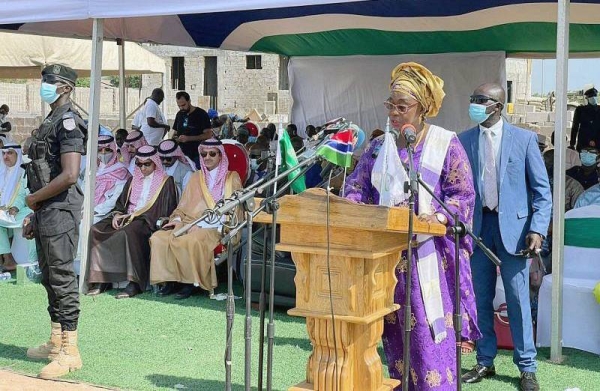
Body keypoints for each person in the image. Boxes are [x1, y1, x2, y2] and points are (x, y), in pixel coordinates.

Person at [344, 62, 481, 390]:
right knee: (382, 349)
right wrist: (350, 208)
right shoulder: (379, 147)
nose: (393, 112)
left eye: (402, 106)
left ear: (423, 109)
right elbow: (355, 187)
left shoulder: (445, 145)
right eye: (390, 104)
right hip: (382, 265)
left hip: (426, 263)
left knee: (426, 347)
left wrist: (439, 218)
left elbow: (462, 196)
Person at [459, 83, 551, 391]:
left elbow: (542, 192)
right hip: (478, 228)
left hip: (516, 232)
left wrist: (537, 229)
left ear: (498, 105)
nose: (474, 104)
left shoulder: (524, 140)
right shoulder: (464, 140)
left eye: (480, 100)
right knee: (480, 297)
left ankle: (527, 366)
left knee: (517, 299)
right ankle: (485, 361)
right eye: (473, 99)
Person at [23, 64, 87, 379]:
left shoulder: (68, 122)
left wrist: (35, 201)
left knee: (63, 279)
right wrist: (34, 210)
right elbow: (40, 171)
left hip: (61, 209)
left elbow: (70, 174)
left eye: (49, 82)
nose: (44, 86)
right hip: (46, 208)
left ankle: (71, 351)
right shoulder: (51, 120)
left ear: (64, 88)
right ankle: (56, 340)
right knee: (49, 277)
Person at [150, 139, 242, 299]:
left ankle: (190, 283)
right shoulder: (195, 177)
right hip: (188, 222)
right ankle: (170, 281)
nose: (207, 157)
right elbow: (183, 205)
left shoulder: (231, 178)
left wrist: (202, 225)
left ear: (220, 155)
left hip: (215, 226)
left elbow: (233, 212)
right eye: (203, 154)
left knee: (192, 241)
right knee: (159, 238)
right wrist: (177, 219)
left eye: (212, 154)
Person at [87, 146, 177, 299]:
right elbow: (122, 204)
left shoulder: (165, 181)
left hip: (148, 220)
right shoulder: (132, 180)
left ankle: (135, 283)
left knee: (128, 232)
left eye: (147, 164)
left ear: (155, 163)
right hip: (127, 216)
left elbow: (166, 209)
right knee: (97, 229)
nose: (142, 167)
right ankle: (103, 279)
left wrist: (134, 218)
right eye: (139, 164)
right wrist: (117, 215)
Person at [0, 143, 36, 271]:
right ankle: (8, 259)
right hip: (17, 211)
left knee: (31, 224)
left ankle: (33, 264)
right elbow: (21, 195)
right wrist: (14, 208)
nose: (5, 157)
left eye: (10, 153)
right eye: (4, 153)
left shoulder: (23, 171)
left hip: (32, 211)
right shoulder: (7, 172)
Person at [94, 135, 131, 223]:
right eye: (100, 150)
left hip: (106, 212)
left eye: (107, 150)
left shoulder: (121, 170)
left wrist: (96, 210)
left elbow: (115, 198)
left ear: (113, 150)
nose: (103, 153)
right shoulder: (93, 169)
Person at [173, 91, 212, 167]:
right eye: (179, 106)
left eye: (183, 105)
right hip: (181, 154)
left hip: (197, 155)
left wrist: (189, 138)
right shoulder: (179, 114)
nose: (181, 108)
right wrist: (174, 141)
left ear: (189, 101)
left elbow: (208, 134)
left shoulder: (201, 114)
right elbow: (175, 132)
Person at [570, 87, 600, 151]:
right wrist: (572, 144)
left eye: (595, 96)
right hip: (584, 142)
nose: (593, 98)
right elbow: (575, 127)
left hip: (598, 143)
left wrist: (596, 140)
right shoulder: (580, 110)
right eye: (591, 96)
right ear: (587, 98)